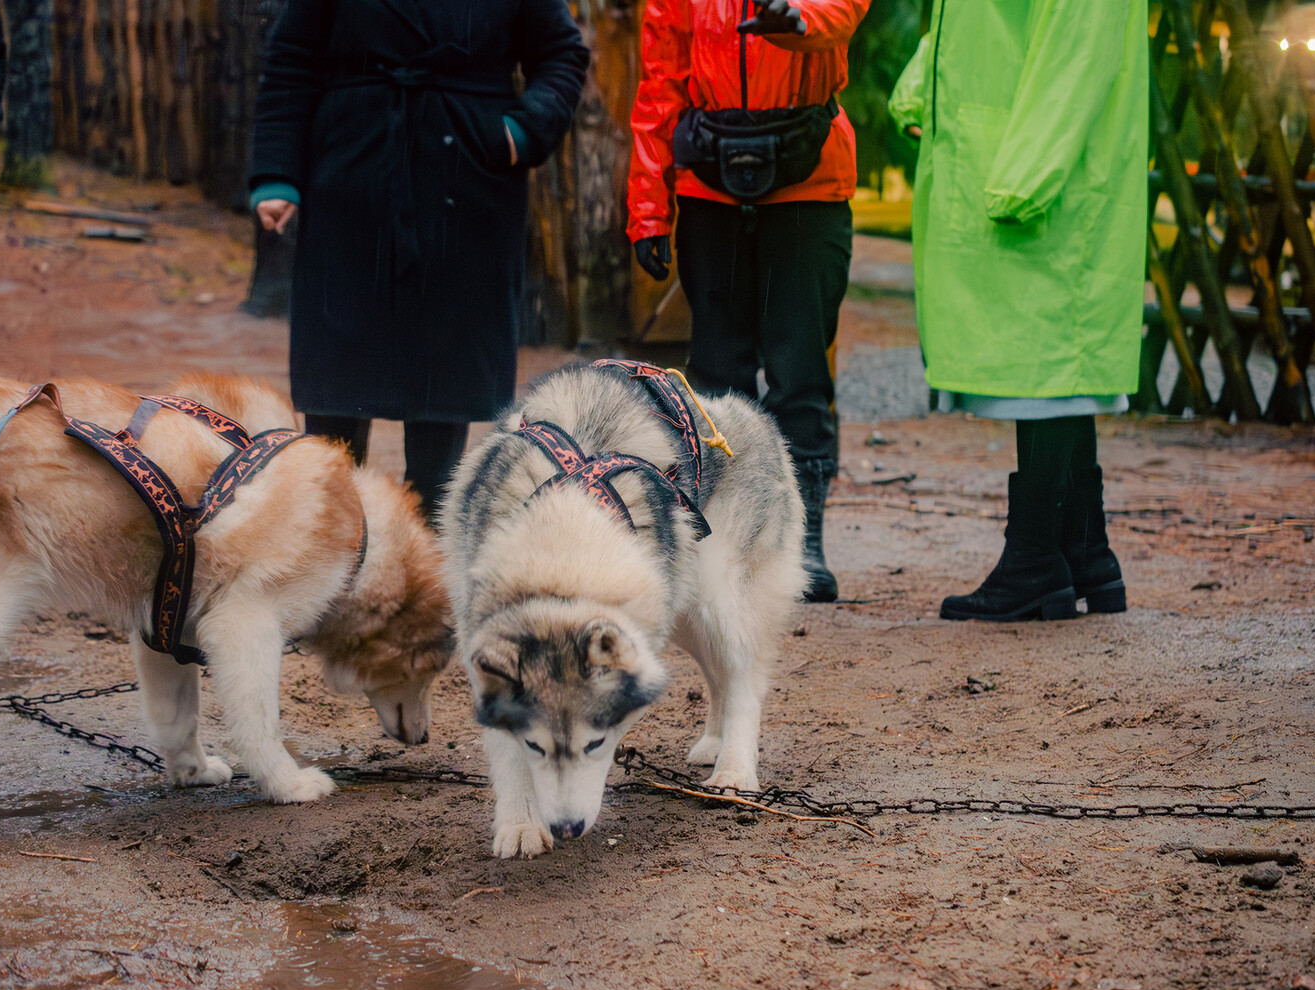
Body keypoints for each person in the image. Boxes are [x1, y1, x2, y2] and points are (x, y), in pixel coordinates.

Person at [249, 0, 589, 518]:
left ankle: (426, 547)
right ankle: (334, 536)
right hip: (351, 172)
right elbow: (293, 58)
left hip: (466, 177)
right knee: (340, 374)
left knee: (444, 375)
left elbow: (561, 53)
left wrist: (521, 132)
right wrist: (276, 170)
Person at [888, 1, 1147, 621]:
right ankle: (1084, 551)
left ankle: (1034, 558)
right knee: (1051, 370)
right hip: (1005, 152)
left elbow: (1078, 48)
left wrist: (1025, 175)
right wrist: (920, 90)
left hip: (1041, 171)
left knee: (1046, 369)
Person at [627, 0, 871, 604]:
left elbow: (842, 10)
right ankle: (720, 541)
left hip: (808, 178)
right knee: (715, 377)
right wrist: (648, 208)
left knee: (800, 373)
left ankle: (802, 541)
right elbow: (660, 80)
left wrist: (796, 18)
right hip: (710, 181)